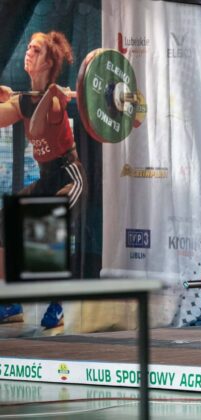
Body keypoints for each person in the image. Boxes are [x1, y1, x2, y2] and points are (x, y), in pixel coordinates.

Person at [0, 31, 86, 329]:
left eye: (35, 50)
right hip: (47, 178)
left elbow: (35, 132)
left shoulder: (54, 101)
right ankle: (11, 302)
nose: (27, 52)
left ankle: (57, 302)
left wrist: (49, 94)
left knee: (45, 222)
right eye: (28, 48)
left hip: (70, 176)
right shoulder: (24, 100)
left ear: (48, 61)